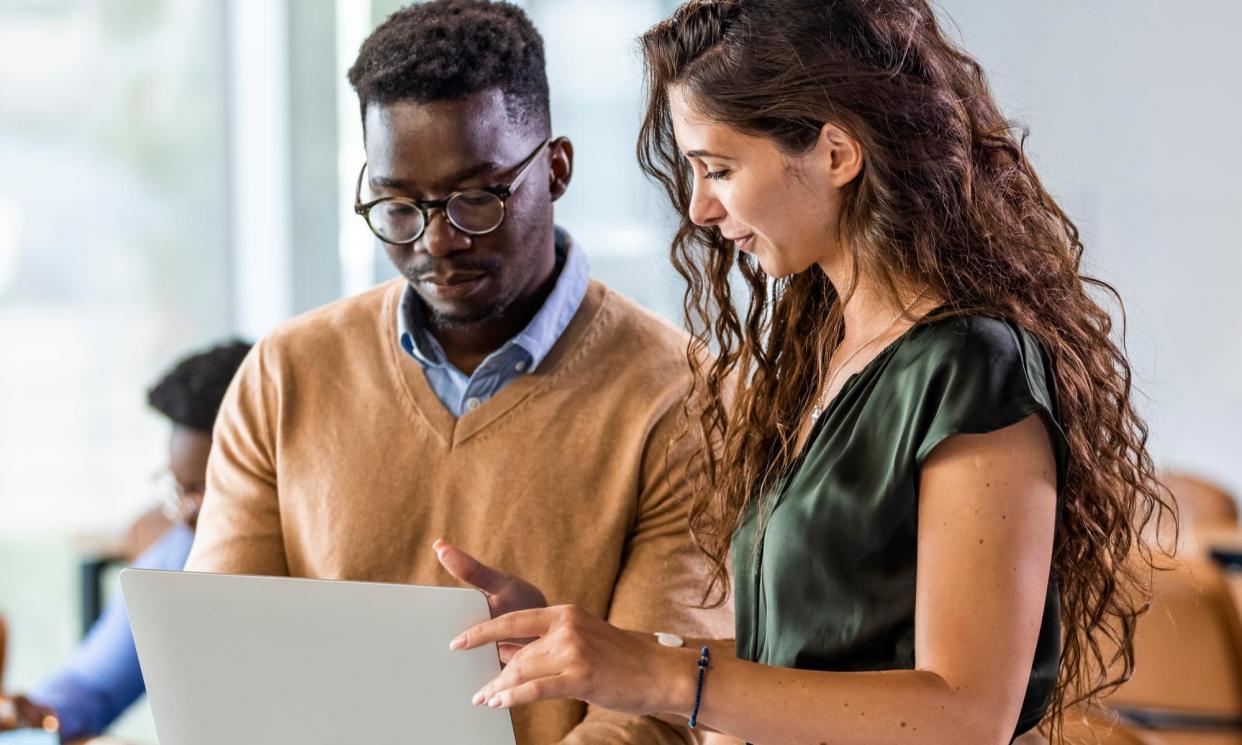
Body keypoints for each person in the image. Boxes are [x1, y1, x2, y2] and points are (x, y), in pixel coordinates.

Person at [445, 1, 1174, 743]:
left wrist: (657, 673)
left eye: (719, 168)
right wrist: (594, 654)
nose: (698, 208)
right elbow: (803, 667)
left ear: (835, 153)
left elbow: (965, 715)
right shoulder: (821, 358)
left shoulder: (971, 367)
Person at [183, 2, 731, 743]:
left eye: (476, 198)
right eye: (399, 205)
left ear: (557, 168)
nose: (438, 241)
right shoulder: (287, 375)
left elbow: (655, 713)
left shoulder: (687, 397)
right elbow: (222, 662)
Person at [0, 340, 251, 742]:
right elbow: (89, 686)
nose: (188, 511)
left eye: (211, 487)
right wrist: (29, 713)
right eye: (182, 489)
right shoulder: (178, 553)